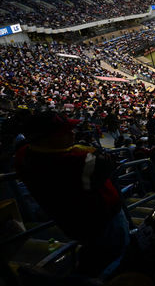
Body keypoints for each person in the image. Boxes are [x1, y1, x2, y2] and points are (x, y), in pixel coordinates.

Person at [15, 111, 129, 276]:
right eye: (65, 132)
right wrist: (84, 150)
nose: (72, 133)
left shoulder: (24, 155)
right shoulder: (78, 161)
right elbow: (106, 162)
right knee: (115, 256)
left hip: (69, 220)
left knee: (93, 251)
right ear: (46, 139)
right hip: (103, 220)